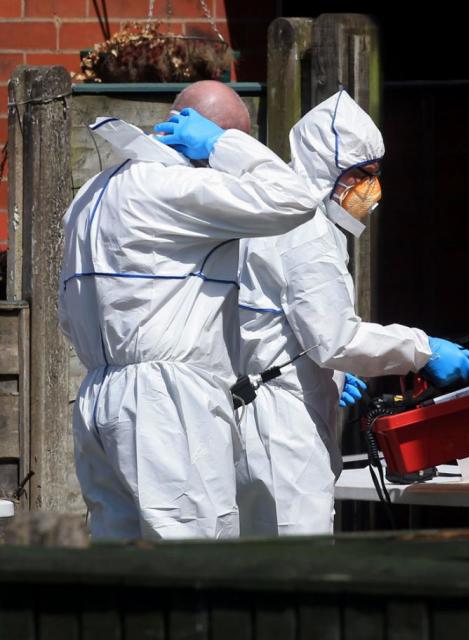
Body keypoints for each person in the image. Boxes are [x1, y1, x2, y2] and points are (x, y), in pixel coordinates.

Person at [59, 81, 318, 540]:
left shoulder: (93, 191)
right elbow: (295, 199)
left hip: (100, 392)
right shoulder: (178, 187)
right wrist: (226, 145)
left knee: (120, 568)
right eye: (229, 140)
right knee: (195, 560)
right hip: (168, 402)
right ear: (197, 135)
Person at [235, 90, 469, 536]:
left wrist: (337, 377)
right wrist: (421, 349)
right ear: (329, 170)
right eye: (363, 174)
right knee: (296, 567)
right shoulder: (305, 228)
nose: (372, 188)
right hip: (284, 429)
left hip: (267, 411)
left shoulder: (280, 218)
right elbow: (336, 340)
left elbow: (287, 327)